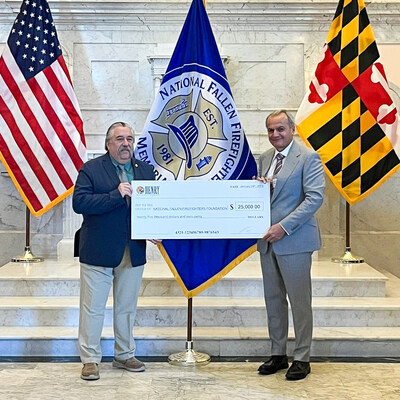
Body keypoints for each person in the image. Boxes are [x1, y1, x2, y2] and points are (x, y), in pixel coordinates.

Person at [73, 122, 155, 380]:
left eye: (130, 138)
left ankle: (124, 354)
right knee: (93, 308)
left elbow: (154, 206)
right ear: (108, 144)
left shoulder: (146, 171)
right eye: (119, 139)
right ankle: (90, 359)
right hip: (98, 250)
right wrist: (114, 194)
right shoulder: (92, 169)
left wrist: (157, 226)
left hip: (132, 251)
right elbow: (80, 202)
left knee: (126, 308)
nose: (126, 144)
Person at [256, 110, 325, 380]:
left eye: (281, 129)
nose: (276, 135)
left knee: (299, 301)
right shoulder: (264, 159)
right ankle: (278, 354)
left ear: (292, 129)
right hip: (267, 242)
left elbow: (314, 199)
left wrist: (283, 227)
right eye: (271, 130)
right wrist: (257, 189)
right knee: (273, 300)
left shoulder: (309, 158)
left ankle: (302, 357)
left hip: (294, 239)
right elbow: (265, 199)